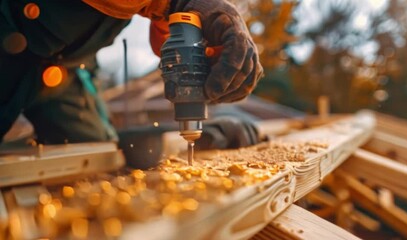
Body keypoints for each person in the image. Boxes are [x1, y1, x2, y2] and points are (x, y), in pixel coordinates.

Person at [0, 0, 263, 148]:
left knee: (97, 150)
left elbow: (163, 38)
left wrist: (188, 20)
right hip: (8, 32)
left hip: (64, 66)